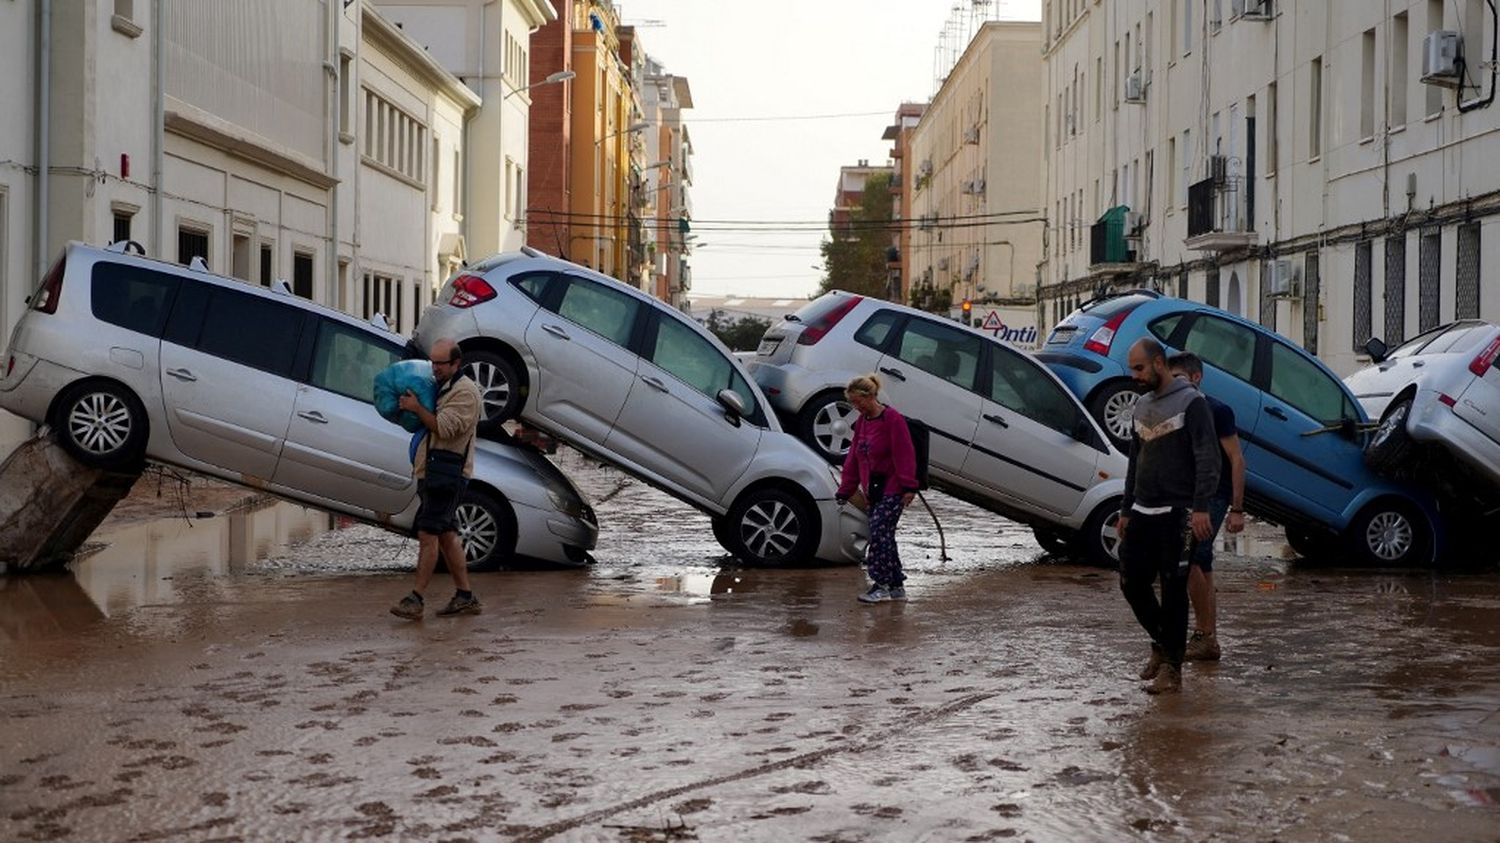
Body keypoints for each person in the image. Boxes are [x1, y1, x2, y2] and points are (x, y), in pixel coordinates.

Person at [1117, 338, 1220, 694]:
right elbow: (1135, 462)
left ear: (1158, 363)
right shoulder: (1141, 406)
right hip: (1143, 511)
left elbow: (1209, 458)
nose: (1134, 376)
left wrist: (1201, 507)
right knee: (1131, 582)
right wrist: (1126, 509)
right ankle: (1163, 644)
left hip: (1180, 513)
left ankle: (1172, 670)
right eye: (1132, 369)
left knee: (1175, 589)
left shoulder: (1193, 403)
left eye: (1139, 368)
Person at [390, 338, 484, 620]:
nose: (435, 368)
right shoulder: (442, 386)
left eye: (440, 363)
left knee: (427, 533)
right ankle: (465, 596)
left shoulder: (466, 393)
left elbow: (444, 428)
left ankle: (416, 599)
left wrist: (417, 408)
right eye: (432, 362)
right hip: (433, 471)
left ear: (456, 364)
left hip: (448, 474)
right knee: (446, 535)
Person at [1167, 352, 1246, 662]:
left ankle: (1202, 635)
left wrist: (1237, 509)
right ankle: (1208, 637)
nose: (1172, 386)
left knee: (1191, 561)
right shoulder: (1175, 409)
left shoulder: (1216, 410)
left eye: (1178, 379)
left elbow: (1237, 459)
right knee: (1202, 564)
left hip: (1213, 495)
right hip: (1187, 495)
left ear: (1196, 378)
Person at [834, 374, 919, 604]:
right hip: (873, 491)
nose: (855, 407)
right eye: (852, 403)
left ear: (870, 396)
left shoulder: (892, 419)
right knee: (885, 537)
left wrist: (909, 486)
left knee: (879, 534)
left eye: (857, 402)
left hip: (893, 488)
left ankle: (880, 584)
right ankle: (896, 586)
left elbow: (905, 454)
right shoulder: (862, 422)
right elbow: (853, 457)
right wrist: (846, 489)